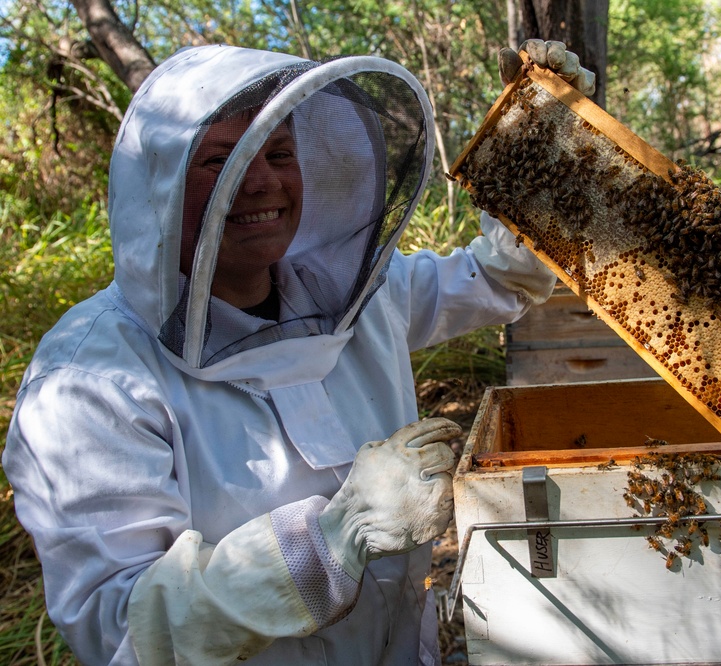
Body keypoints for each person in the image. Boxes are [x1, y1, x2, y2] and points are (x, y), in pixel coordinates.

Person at [3, 41, 590, 665]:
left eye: (278, 152)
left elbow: (502, 279)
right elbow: (120, 628)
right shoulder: (90, 379)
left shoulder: (356, 295)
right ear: (162, 184)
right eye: (219, 161)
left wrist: (541, 140)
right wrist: (333, 538)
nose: (258, 180)